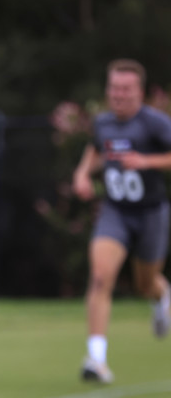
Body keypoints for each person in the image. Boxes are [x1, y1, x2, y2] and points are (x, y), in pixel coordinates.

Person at [73, 58, 171, 383]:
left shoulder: (155, 123)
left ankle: (161, 296)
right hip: (115, 212)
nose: (119, 94)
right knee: (100, 277)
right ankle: (96, 360)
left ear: (140, 92)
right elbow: (96, 150)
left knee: (145, 283)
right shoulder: (102, 123)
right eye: (114, 88)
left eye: (126, 89)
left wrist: (147, 161)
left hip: (151, 213)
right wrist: (83, 173)